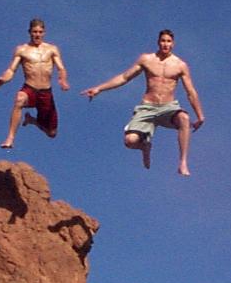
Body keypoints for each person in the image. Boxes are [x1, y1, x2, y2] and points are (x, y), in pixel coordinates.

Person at [81, 29, 205, 176]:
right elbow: (124, 77)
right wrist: (99, 88)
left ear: (173, 44)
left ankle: (183, 162)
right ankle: (144, 146)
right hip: (148, 107)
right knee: (129, 141)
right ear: (158, 42)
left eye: (169, 41)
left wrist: (200, 115)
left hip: (168, 107)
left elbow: (190, 91)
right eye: (163, 41)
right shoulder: (147, 59)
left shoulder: (180, 65)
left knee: (184, 118)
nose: (166, 44)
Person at [0, 18, 70, 148]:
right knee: (19, 99)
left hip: (46, 92)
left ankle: (32, 120)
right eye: (34, 32)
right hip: (30, 88)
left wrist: (62, 80)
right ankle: (10, 138)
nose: (37, 35)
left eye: (40, 32)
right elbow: (11, 70)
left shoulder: (52, 49)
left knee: (52, 133)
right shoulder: (22, 50)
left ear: (44, 32)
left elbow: (61, 68)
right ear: (29, 32)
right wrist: (3, 80)